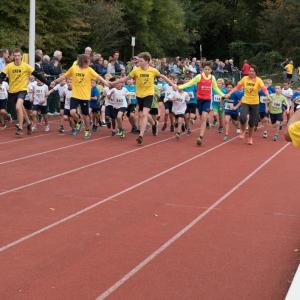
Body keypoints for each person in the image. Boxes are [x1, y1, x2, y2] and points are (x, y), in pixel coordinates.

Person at [110, 51, 176, 145]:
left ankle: (140, 136)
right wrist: (113, 83)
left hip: (149, 94)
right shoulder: (136, 70)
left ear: (147, 61)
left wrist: (173, 84)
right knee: (141, 114)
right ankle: (154, 124)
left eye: (141, 61)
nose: (139, 63)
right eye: (138, 61)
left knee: (144, 114)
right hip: (139, 95)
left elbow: (163, 76)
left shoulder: (153, 70)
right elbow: (125, 79)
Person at [52, 54, 109, 139]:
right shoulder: (74, 68)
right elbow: (64, 76)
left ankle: (87, 130)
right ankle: (79, 121)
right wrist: (55, 81)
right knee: (72, 112)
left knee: (85, 115)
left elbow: (98, 76)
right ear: (83, 62)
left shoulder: (89, 70)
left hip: (85, 96)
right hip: (75, 95)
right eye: (88, 62)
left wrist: (105, 82)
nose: (89, 64)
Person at [0, 48, 48, 135]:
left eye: (18, 55)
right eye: (15, 56)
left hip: (22, 90)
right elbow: (1, 76)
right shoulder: (9, 66)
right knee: (21, 108)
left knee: (18, 107)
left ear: (21, 56)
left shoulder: (26, 66)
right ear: (13, 57)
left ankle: (20, 127)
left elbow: (37, 74)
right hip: (12, 91)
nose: (17, 57)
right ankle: (29, 123)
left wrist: (47, 83)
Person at [178, 62, 225, 146]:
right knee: (201, 117)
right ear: (203, 69)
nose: (207, 70)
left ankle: (200, 137)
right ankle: (206, 122)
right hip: (199, 100)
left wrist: (223, 95)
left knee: (203, 117)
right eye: (205, 69)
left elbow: (216, 88)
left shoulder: (212, 78)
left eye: (208, 69)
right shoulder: (198, 77)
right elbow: (190, 83)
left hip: (207, 100)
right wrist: (180, 87)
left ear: (211, 70)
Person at [225, 65, 270, 145]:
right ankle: (242, 132)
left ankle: (250, 137)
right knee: (242, 117)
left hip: (255, 103)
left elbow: (264, 89)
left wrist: (268, 95)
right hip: (245, 101)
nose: (251, 72)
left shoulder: (258, 80)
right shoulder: (244, 79)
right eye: (250, 71)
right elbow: (237, 87)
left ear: (256, 72)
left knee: (252, 122)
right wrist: (230, 93)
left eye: (253, 71)